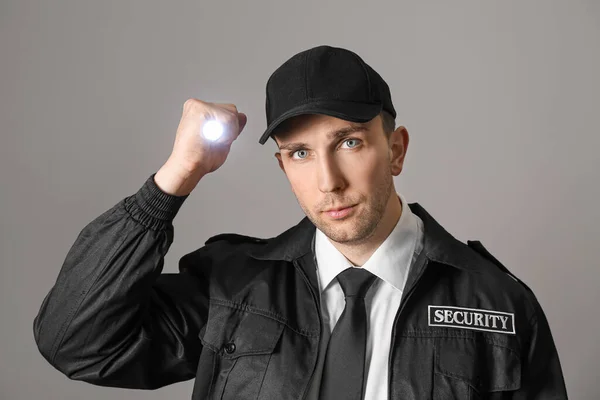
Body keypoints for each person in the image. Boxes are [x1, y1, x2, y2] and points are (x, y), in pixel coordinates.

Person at [33, 45, 568, 400]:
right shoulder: (235, 288)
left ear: (396, 150)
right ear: (282, 164)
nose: (327, 181)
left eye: (349, 143)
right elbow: (77, 343)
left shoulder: (498, 304)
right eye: (300, 154)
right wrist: (174, 179)